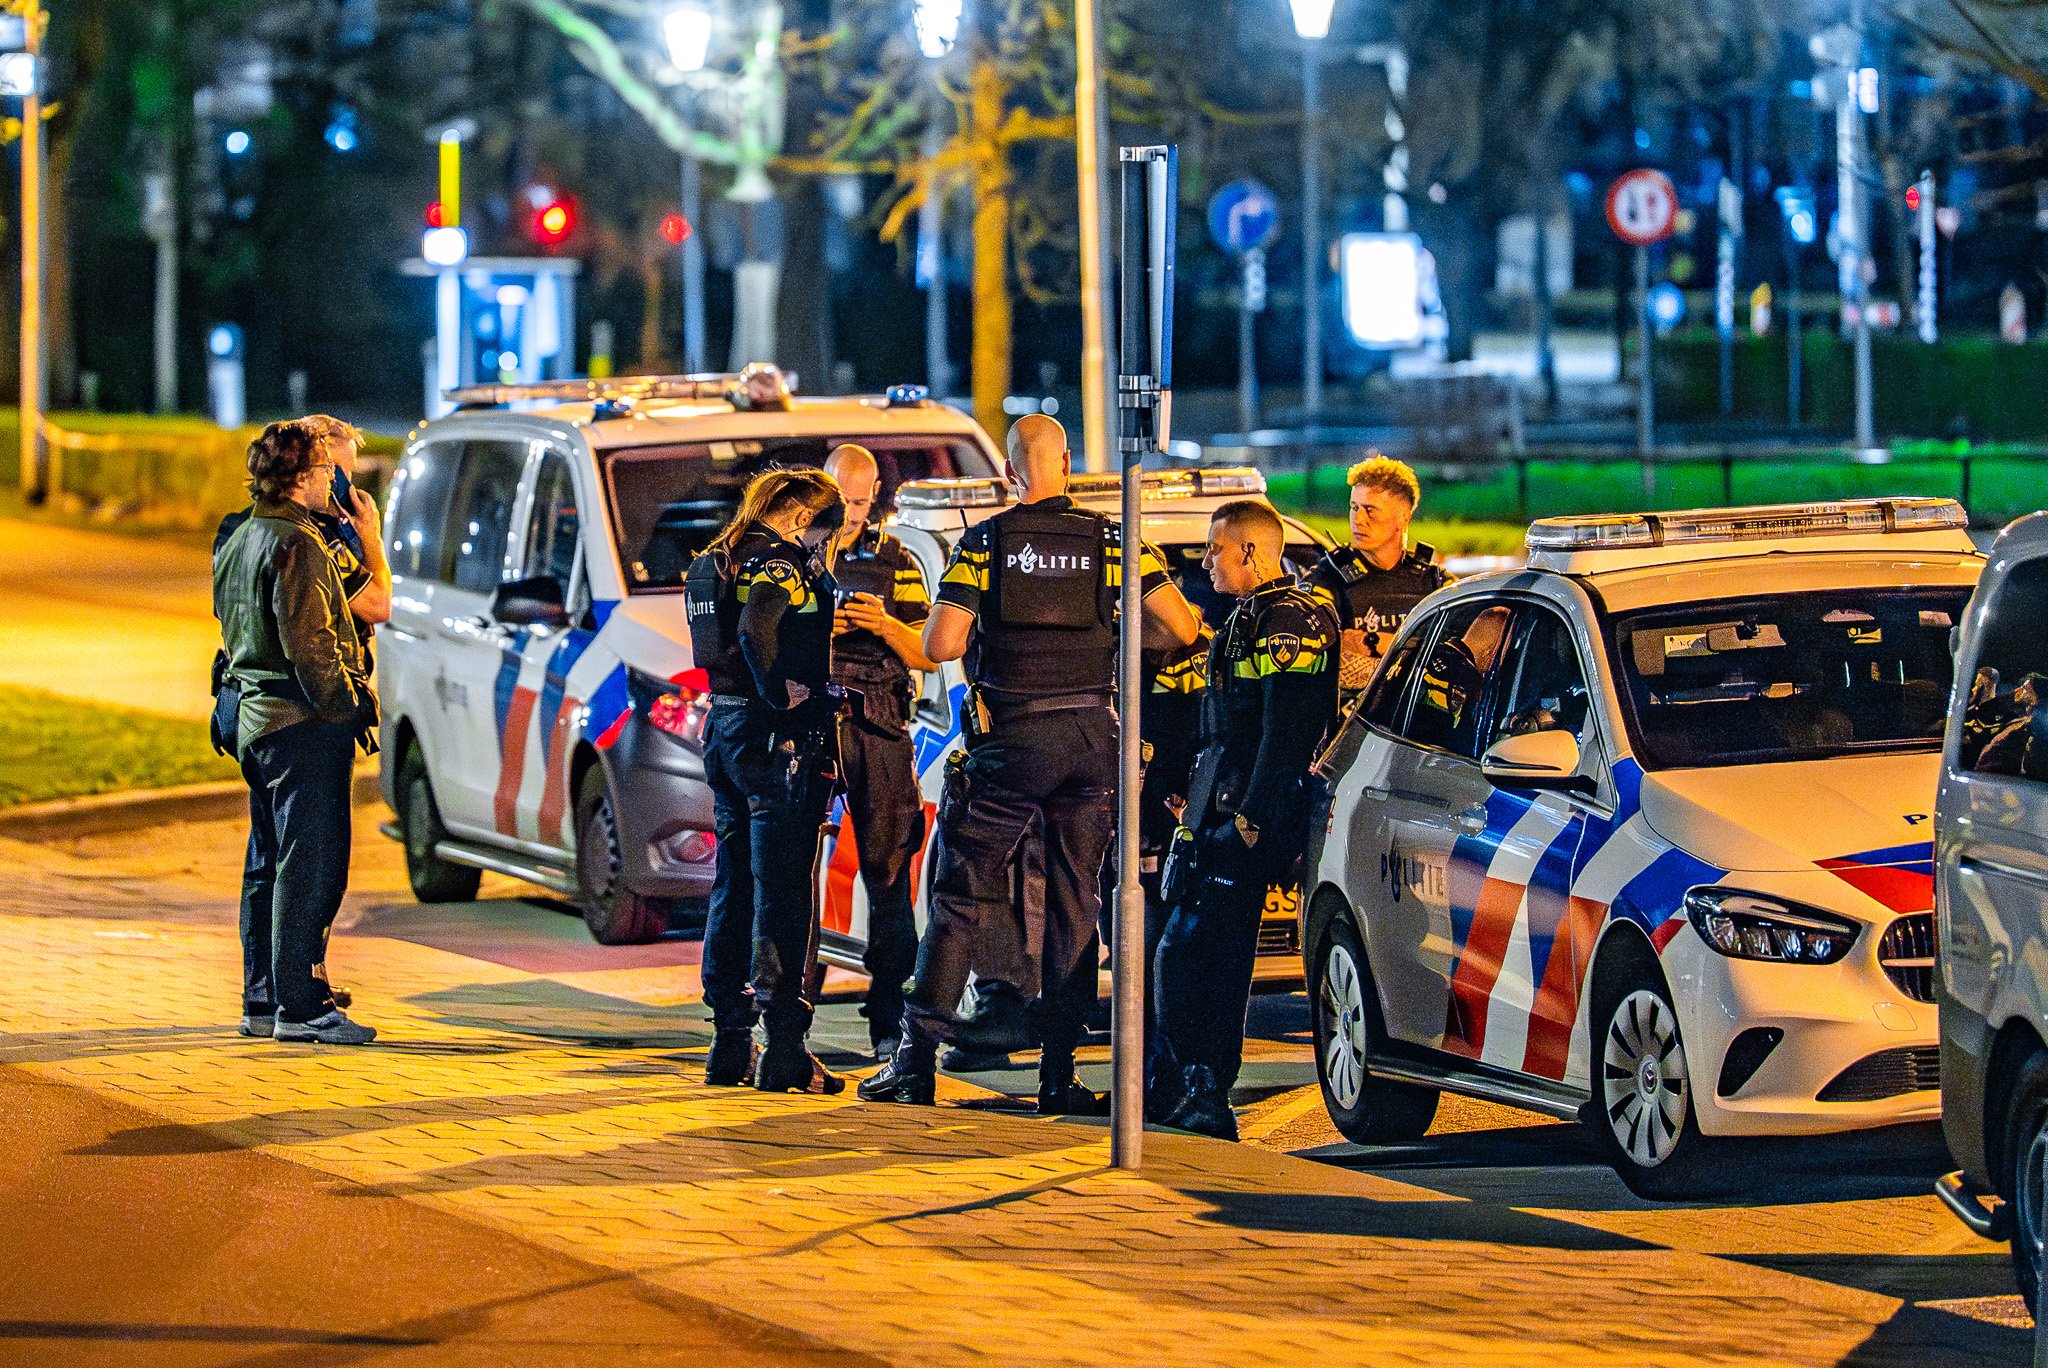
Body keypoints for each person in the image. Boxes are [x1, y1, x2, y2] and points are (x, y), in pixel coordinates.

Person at [859, 413, 1200, 1114]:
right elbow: (1183, 626)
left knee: (960, 898)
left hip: (1010, 743)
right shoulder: (1115, 541)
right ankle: (1058, 1075)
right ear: (1067, 462)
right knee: (1077, 905)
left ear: (1011, 473)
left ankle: (915, 1063)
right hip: (1090, 742)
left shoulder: (986, 543)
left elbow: (943, 644)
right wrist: (1113, 634)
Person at [1152, 500, 1339, 1139]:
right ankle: (1187, 1087)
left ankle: (1207, 1093)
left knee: (1207, 956)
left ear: (1251, 552)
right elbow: (1226, 732)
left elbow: (1287, 732)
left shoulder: (1288, 621)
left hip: (1246, 819)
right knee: (1186, 951)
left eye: (1215, 549)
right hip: (1217, 810)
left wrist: (1251, 821)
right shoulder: (1249, 616)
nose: (1207, 563)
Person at [211, 416, 389, 1013]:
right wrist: (349, 710)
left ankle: (265, 996)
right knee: (310, 863)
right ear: (303, 474)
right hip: (299, 722)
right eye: (328, 469)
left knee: (271, 861)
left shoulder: (241, 535)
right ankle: (301, 1002)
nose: (337, 482)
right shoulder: (301, 543)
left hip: (255, 717)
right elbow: (314, 647)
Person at [686, 466, 849, 1093]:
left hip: (725, 731)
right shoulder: (780, 563)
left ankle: (730, 1043)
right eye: (824, 537)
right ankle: (784, 1051)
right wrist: (781, 694)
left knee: (733, 883)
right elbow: (757, 631)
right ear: (804, 519)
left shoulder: (716, 558)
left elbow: (716, 647)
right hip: (774, 741)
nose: (823, 550)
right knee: (782, 891)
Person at [822, 443, 937, 1062]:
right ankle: (783, 1018)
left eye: (861, 503)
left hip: (878, 723)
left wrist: (883, 625)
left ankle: (890, 1021)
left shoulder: (897, 562)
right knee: (786, 872)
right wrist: (825, 630)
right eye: (841, 500)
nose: (850, 513)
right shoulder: (794, 557)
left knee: (889, 875)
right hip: (814, 721)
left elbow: (930, 653)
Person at [1307, 454, 1448, 697]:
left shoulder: (1435, 582)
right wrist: (1421, 653)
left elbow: (1458, 652)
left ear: (1403, 517)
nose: (1358, 520)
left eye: (1370, 510)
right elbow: (1327, 661)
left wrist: (1371, 641)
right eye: (1354, 508)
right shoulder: (1327, 579)